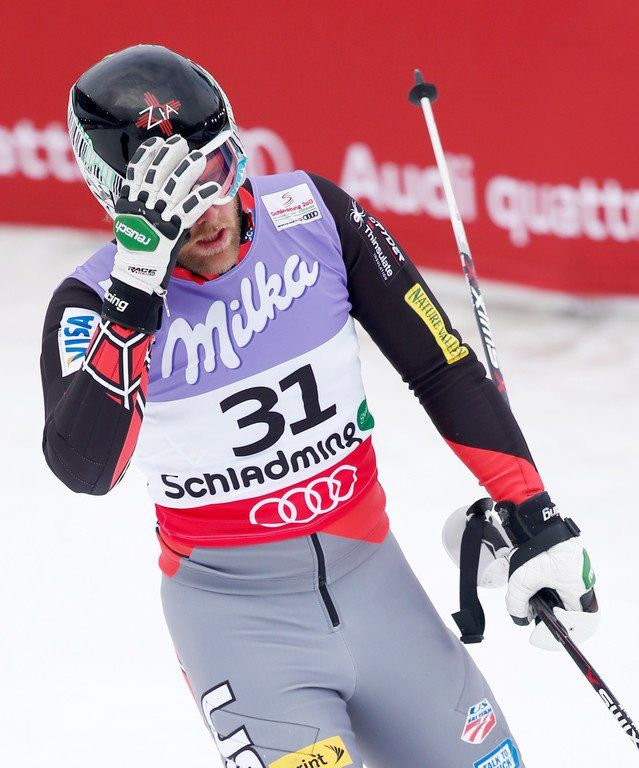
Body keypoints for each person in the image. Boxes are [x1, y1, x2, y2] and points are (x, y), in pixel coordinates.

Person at [41, 44, 598, 768]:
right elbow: (85, 469)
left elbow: (442, 365)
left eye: (214, 171)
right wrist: (134, 301)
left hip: (376, 587)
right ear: (120, 203)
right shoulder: (89, 304)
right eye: (172, 203)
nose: (206, 212)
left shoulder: (314, 214)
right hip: (239, 627)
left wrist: (532, 509)